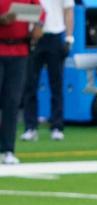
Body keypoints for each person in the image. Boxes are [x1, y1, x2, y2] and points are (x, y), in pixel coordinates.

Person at [21, 0, 73, 142]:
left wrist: (69, 37)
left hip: (55, 33)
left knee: (56, 83)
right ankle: (30, 127)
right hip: (34, 35)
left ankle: (57, 126)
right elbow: (25, 9)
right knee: (30, 84)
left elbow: (68, 10)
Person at [0, 0, 40, 164]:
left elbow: (39, 11)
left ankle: (7, 148)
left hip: (19, 50)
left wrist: (39, 25)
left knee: (12, 101)